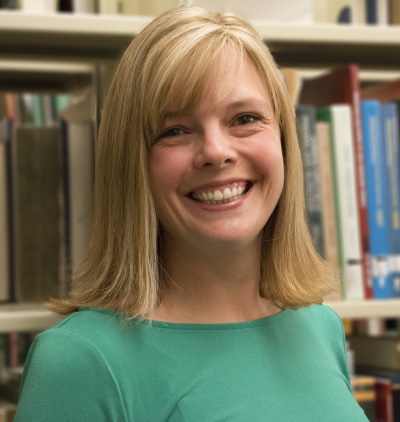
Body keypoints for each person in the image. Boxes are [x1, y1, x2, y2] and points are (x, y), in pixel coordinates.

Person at [14, 6, 368, 421]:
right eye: (175, 130)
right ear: (132, 165)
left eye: (245, 118)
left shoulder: (320, 327)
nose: (217, 152)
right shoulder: (78, 363)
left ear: (285, 139)